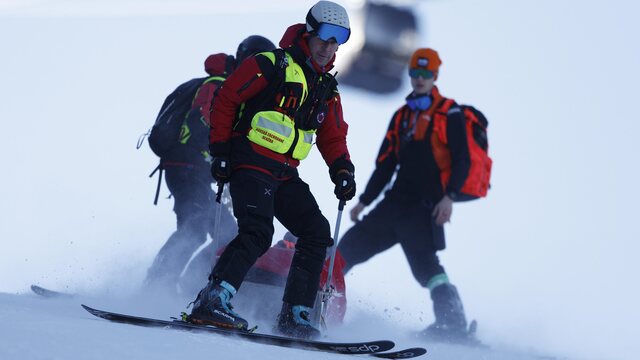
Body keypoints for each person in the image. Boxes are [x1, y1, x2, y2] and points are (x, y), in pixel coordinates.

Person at [186, 1, 356, 340]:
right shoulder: (271, 64)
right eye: (325, 36)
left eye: (339, 39)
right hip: (250, 162)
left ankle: (295, 315)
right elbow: (227, 99)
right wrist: (220, 151)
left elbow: (332, 135)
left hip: (284, 172)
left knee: (316, 234)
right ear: (309, 32)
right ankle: (213, 299)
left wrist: (342, 169)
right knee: (258, 231)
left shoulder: (327, 88)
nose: (329, 46)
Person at [337, 48, 475, 342]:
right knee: (346, 249)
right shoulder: (401, 116)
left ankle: (453, 324)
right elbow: (385, 164)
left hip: (424, 210)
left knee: (428, 269)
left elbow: (463, 160)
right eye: (415, 73)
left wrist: (449, 197)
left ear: (435, 76)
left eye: (426, 74)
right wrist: (364, 201)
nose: (420, 79)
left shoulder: (449, 112)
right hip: (392, 205)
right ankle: (317, 301)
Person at [144, 36, 277, 294]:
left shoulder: (229, 85)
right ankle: (157, 284)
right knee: (201, 228)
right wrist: (220, 155)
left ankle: (185, 282)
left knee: (224, 232)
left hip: (192, 169)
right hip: (187, 167)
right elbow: (202, 120)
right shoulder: (220, 85)